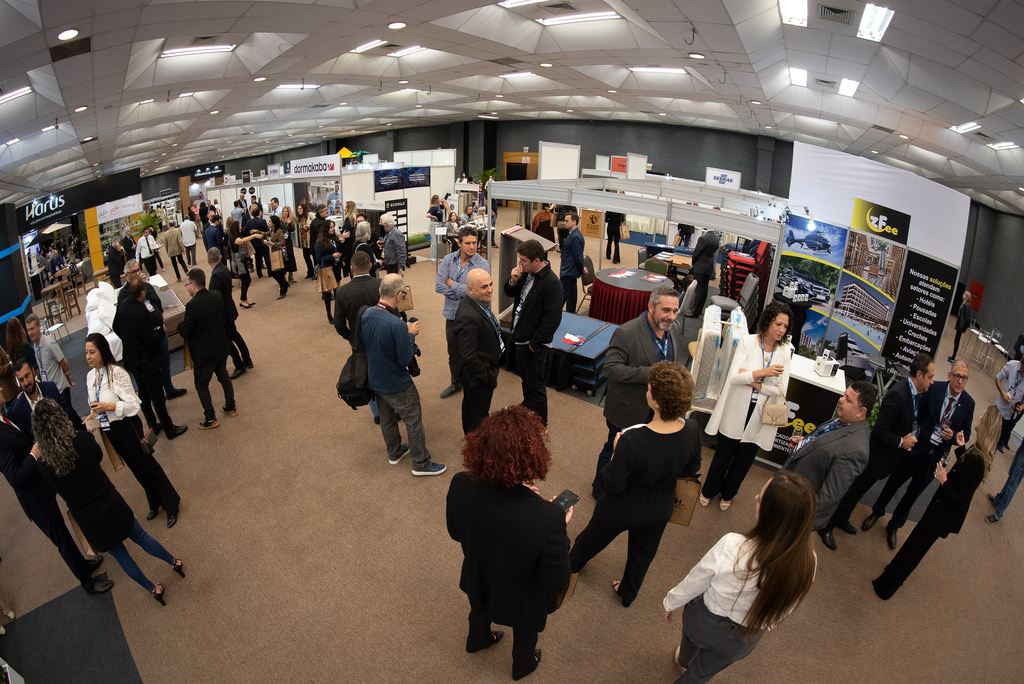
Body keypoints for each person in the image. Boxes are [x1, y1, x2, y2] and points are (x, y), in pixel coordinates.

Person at [446, 406, 572, 681]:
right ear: (533, 457)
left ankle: (477, 639)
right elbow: (555, 580)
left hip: (479, 576)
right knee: (526, 628)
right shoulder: (549, 518)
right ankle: (522, 664)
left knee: (478, 608)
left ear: (481, 447)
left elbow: (456, 533)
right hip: (522, 593)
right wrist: (560, 527)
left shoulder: (459, 484)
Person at [663, 471, 817, 683]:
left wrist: (672, 601)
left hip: (705, 622)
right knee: (699, 676)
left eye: (760, 499)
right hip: (746, 635)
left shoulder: (733, 545)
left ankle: (684, 659)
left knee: (690, 639)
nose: (755, 498)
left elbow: (697, 579)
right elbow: (788, 604)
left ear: (771, 514)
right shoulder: (809, 562)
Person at [570, 362, 702, 607]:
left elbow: (612, 484)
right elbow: (692, 468)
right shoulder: (692, 429)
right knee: (643, 555)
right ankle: (627, 593)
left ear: (656, 401)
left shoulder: (632, 439)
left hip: (623, 506)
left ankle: (572, 564)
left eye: (649, 389)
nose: (647, 391)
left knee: (592, 538)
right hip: (661, 505)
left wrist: (614, 454)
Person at [31, 398, 185, 605]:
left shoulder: (42, 466)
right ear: (61, 418)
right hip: (110, 502)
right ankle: (174, 562)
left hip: (88, 520)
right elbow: (98, 455)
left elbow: (54, 489)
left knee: (121, 556)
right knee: (141, 537)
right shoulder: (81, 440)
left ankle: (153, 589)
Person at [872, 405, 997, 600]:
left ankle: (885, 588)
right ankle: (891, 575)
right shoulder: (976, 451)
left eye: (982, 416)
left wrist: (945, 481)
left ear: (987, 423)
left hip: (941, 516)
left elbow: (960, 501)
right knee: (913, 547)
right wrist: (961, 448)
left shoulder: (977, 460)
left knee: (913, 550)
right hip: (939, 512)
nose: (979, 418)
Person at [0, 386, 111, 594]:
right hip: (35, 499)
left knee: (66, 530)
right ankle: (87, 583)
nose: (0, 388)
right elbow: (15, 478)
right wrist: (34, 455)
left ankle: (83, 563)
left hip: (42, 484)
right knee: (61, 539)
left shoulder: (5, 416)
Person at [824, 352, 935, 550]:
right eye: (930, 377)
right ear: (919, 374)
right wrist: (902, 442)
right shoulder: (899, 394)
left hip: (884, 461)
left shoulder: (914, 394)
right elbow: (880, 431)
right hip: (876, 458)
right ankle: (827, 525)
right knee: (850, 491)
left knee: (858, 492)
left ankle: (842, 518)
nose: (932, 382)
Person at [863, 361, 974, 550]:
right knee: (893, 482)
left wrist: (954, 436)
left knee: (912, 495)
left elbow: (967, 433)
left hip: (934, 460)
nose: (961, 381)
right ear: (949, 375)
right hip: (915, 449)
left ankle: (895, 525)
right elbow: (916, 413)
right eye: (958, 376)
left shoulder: (969, 403)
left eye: (965, 378)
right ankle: (877, 511)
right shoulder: (935, 389)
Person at [701, 300, 794, 510]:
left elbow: (779, 390)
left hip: (760, 413)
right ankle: (709, 490)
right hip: (737, 408)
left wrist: (752, 381)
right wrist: (763, 374)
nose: (781, 330)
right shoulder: (748, 342)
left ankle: (728, 494)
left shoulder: (784, 352)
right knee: (723, 455)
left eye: (785, 326)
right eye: (778, 324)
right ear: (768, 321)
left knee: (743, 461)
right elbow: (734, 377)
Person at [593, 285, 683, 498]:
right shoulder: (626, 332)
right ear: (651, 306)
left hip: (657, 410)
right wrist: (651, 373)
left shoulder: (672, 329)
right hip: (628, 409)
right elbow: (610, 369)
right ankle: (600, 489)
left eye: (675, 311)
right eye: (666, 310)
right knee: (614, 450)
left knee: (643, 452)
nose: (671, 316)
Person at [82, 332, 182, 526]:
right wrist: (92, 415)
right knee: (136, 469)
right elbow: (95, 402)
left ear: (102, 351)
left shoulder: (117, 373)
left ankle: (172, 503)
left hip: (126, 426)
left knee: (148, 466)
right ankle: (155, 501)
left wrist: (109, 407)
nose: (88, 356)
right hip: (110, 430)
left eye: (92, 352)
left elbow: (134, 405)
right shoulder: (89, 377)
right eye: (86, 352)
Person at [360, 274, 446, 477]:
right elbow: (405, 359)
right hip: (397, 382)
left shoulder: (366, 314)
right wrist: (410, 335)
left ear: (380, 291)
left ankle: (394, 452)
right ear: (399, 295)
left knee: (387, 418)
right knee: (413, 420)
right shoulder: (397, 324)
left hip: (375, 379)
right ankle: (421, 463)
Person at [783, 381, 875, 548]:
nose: (841, 400)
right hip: (789, 489)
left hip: (796, 510)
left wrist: (798, 525)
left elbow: (828, 497)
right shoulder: (844, 420)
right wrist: (806, 443)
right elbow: (827, 446)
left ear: (861, 412)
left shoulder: (857, 450)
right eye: (844, 395)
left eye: (848, 399)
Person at [112, 281, 188, 441]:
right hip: (147, 361)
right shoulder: (140, 311)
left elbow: (115, 326)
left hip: (132, 360)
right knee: (157, 396)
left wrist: (129, 340)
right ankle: (169, 429)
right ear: (141, 293)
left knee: (144, 395)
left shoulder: (123, 304)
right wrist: (160, 331)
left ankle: (153, 425)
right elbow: (151, 338)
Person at [504, 240, 563, 425]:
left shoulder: (552, 284)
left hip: (534, 344)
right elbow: (510, 292)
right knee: (525, 376)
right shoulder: (526, 273)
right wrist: (513, 280)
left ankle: (541, 422)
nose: (519, 263)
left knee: (536, 385)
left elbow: (552, 321)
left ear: (537, 260)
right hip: (520, 336)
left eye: (523, 260)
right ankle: (527, 404)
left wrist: (534, 344)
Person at [178, 269, 236, 431]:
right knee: (224, 376)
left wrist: (179, 325)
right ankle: (231, 406)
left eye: (187, 284)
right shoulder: (216, 295)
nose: (187, 287)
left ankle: (210, 418)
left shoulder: (192, 305)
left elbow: (184, 331)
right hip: (221, 347)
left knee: (201, 385)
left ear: (193, 284)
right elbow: (223, 317)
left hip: (205, 354)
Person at [436, 227, 490, 400]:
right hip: (452, 315)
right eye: (467, 243)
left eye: (474, 243)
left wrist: (452, 284)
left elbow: (479, 292)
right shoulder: (447, 260)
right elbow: (439, 286)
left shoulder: (482, 264)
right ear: (459, 243)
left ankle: (473, 382)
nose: (472, 246)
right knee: (454, 352)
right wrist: (464, 290)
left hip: (473, 317)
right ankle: (455, 382)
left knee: (472, 352)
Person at [334, 251, 383, 423]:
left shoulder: (342, 292)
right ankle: (396, 409)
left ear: (351, 268)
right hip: (382, 337)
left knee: (365, 375)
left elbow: (339, 324)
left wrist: (351, 337)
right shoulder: (381, 284)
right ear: (370, 265)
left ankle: (377, 413)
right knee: (388, 370)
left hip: (359, 341)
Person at [454, 268, 503, 435]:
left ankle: (470, 441)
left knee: (471, 406)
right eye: (484, 287)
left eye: (490, 284)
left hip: (477, 373)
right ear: (470, 289)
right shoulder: (468, 316)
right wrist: (486, 376)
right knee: (479, 415)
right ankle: (476, 452)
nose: (489, 289)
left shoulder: (477, 304)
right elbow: (468, 356)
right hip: (477, 377)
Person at [208, 248, 252, 380]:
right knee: (235, 335)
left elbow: (216, 297)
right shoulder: (224, 269)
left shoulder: (215, 274)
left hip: (223, 312)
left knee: (228, 339)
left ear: (208, 260)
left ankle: (239, 365)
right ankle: (247, 360)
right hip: (229, 307)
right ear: (220, 257)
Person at [8, 357, 83, 434]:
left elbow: (68, 410)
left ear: (33, 371)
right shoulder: (18, 409)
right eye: (21, 380)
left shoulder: (50, 387)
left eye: (27, 376)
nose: (26, 382)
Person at [25, 313, 74, 407]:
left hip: (60, 389)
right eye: (28, 330)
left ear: (39, 326)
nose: (30, 333)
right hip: (51, 392)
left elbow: (64, 362)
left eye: (32, 329)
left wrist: (68, 377)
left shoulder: (49, 344)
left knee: (69, 417)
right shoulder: (35, 346)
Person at [986, 437, 1024, 524]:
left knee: (1013, 484)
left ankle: (998, 514)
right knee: (1011, 476)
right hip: (1022, 449)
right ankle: (998, 500)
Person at [315, 216, 344, 324]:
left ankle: (338, 313)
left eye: (333, 227)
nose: (332, 229)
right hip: (327, 269)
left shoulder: (335, 238)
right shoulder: (320, 243)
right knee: (327, 293)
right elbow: (319, 259)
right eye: (331, 227)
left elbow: (340, 249)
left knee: (338, 292)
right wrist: (332, 256)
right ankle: (329, 314)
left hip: (336, 268)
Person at [993, 357, 1024, 452]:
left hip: (1011, 414)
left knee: (998, 442)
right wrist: (1002, 392)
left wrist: (1021, 407)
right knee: (989, 433)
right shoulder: (1012, 365)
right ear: (1021, 364)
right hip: (1000, 407)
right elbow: (998, 378)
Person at [227, 217, 258, 309]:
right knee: (246, 280)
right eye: (240, 226)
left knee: (246, 280)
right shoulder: (234, 237)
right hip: (238, 263)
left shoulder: (236, 236)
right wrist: (254, 236)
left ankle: (244, 299)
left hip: (242, 261)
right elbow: (241, 242)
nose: (241, 227)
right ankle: (242, 300)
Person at [559, 212, 587, 313]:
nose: (565, 223)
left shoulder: (575, 236)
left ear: (574, 222)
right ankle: (571, 315)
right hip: (570, 271)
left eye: (567, 221)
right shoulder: (572, 234)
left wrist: (581, 268)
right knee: (572, 297)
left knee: (561, 297)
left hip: (569, 272)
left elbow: (578, 256)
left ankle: (553, 317)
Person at [688, 229, 719, 317]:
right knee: (704, 288)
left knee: (698, 289)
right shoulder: (716, 238)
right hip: (709, 266)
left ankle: (695, 311)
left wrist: (694, 263)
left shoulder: (703, 238)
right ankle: (699, 309)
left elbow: (696, 253)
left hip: (701, 266)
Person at [267, 215, 291, 299]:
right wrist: (256, 232)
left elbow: (282, 243)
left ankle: (282, 291)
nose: (268, 223)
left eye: (269, 221)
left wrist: (272, 244)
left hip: (279, 254)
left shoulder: (279, 231)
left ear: (274, 223)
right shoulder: (272, 231)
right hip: (274, 253)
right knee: (273, 273)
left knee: (279, 273)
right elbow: (265, 234)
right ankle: (285, 284)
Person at [946, 291, 971, 363]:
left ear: (966, 296)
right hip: (960, 325)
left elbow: (967, 318)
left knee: (956, 341)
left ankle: (953, 358)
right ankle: (952, 356)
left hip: (960, 326)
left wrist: (963, 327)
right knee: (956, 341)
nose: (963, 295)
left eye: (964, 294)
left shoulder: (966, 306)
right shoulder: (964, 304)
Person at [247, 204, 272, 278]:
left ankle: (259, 273)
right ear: (259, 213)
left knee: (257, 258)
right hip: (263, 242)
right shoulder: (263, 221)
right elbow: (267, 231)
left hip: (254, 243)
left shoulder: (249, 222)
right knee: (267, 257)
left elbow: (247, 231)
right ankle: (270, 272)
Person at [280, 205, 299, 284]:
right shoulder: (280, 220)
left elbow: (293, 229)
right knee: (283, 257)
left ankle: (291, 275)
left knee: (290, 256)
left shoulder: (290, 220)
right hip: (282, 241)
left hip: (289, 241)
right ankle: (283, 277)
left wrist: (289, 222)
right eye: (284, 211)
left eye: (286, 211)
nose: (285, 213)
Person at [296, 203, 315, 279]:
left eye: (300, 209)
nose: (299, 210)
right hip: (304, 241)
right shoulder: (300, 218)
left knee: (314, 256)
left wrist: (309, 226)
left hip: (311, 239)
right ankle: (310, 271)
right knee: (306, 257)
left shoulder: (310, 215)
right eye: (298, 209)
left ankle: (316, 272)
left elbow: (316, 223)